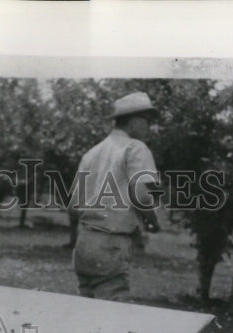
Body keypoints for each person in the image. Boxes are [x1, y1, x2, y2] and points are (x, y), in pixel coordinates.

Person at [69, 92, 164, 301]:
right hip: (111, 241)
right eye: (147, 122)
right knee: (113, 310)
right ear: (135, 121)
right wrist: (152, 220)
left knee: (85, 308)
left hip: (85, 241)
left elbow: (75, 203)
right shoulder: (136, 148)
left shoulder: (92, 153)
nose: (149, 128)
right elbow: (140, 193)